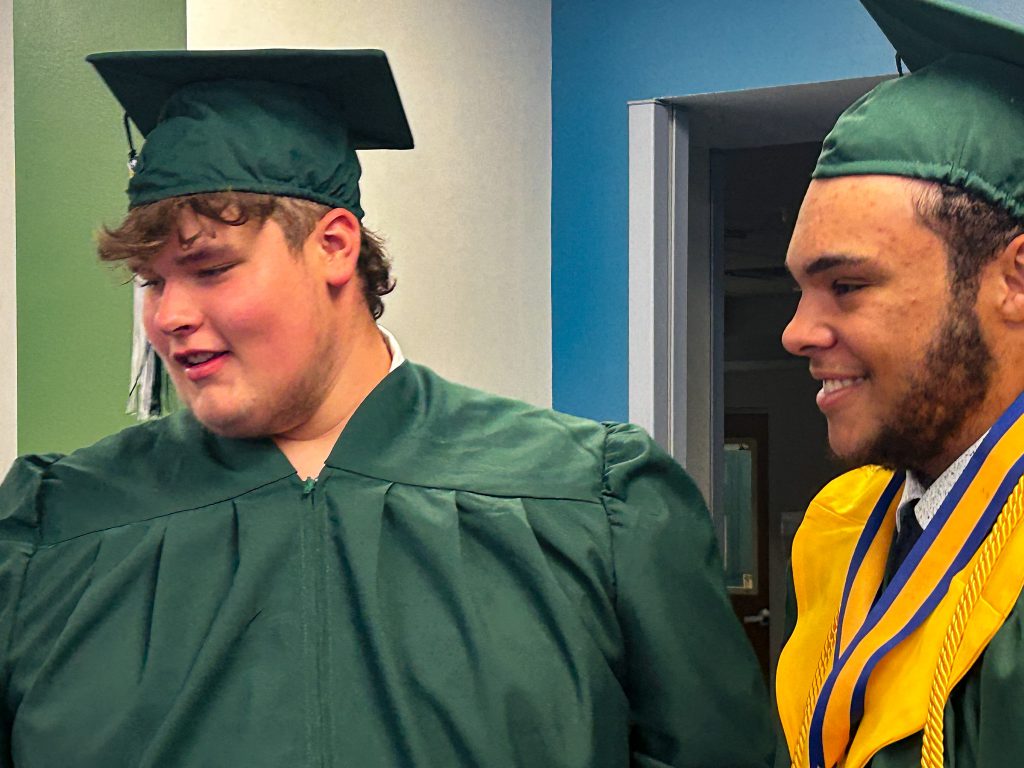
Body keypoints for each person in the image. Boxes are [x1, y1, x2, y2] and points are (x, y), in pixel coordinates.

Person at [0, 49, 772, 767]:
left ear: (335, 246)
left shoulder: (591, 501)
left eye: (210, 268)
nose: (167, 316)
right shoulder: (55, 529)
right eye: (153, 281)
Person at [776, 0, 1024, 766]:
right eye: (800, 290)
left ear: (1015, 279)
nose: (795, 332)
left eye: (846, 285)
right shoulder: (841, 528)